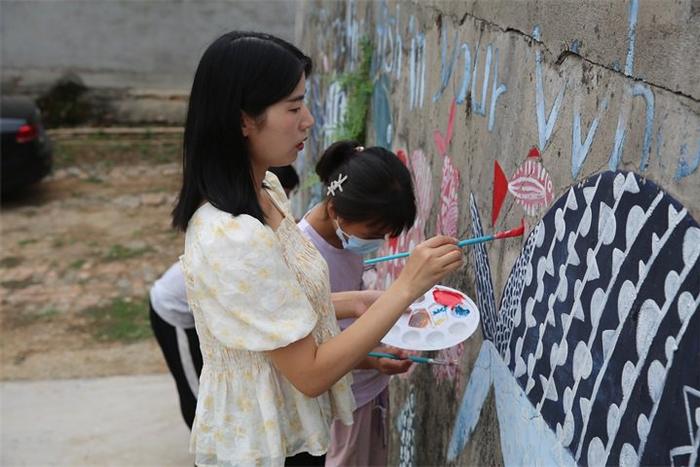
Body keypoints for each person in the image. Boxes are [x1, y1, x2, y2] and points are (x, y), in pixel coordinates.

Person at [171, 31, 463, 466]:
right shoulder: (233, 234)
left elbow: (278, 311)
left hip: (293, 435)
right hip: (264, 450)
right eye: (293, 107)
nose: (308, 120)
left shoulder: (267, 190)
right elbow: (310, 372)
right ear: (244, 120)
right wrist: (405, 287)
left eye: (303, 103)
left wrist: (360, 302)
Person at [148, 166, 300, 430]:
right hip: (173, 312)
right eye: (284, 194)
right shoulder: (238, 230)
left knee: (208, 383)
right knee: (195, 391)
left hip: (200, 313)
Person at [300, 140, 416, 466]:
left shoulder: (345, 237)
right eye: (375, 231)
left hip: (367, 389)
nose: (379, 242)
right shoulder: (303, 256)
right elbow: (312, 353)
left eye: (387, 234)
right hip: (341, 404)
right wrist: (373, 360)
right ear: (336, 211)